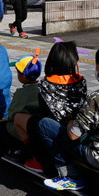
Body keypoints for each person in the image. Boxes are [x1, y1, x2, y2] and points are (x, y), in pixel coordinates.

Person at [36, 42, 99, 191]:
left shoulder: (98, 97)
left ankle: (70, 176)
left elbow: (73, 135)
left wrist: (72, 121)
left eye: (97, 67)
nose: (95, 70)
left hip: (98, 158)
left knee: (44, 124)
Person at [14, 41, 87, 173]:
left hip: (57, 133)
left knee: (23, 119)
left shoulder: (46, 84)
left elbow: (46, 114)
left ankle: (39, 160)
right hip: (78, 132)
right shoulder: (81, 81)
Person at [6, 51, 42, 143]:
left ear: (24, 76)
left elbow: (11, 114)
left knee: (8, 125)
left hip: (26, 127)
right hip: (40, 125)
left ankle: (15, 150)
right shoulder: (43, 89)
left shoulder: (21, 93)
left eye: (18, 72)